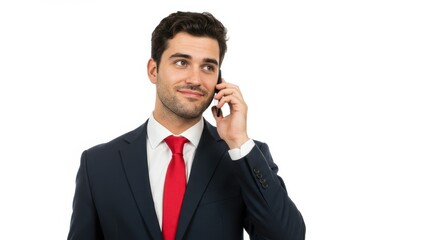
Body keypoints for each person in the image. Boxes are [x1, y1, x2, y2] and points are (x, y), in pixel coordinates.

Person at [67, 11, 305, 240]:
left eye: (208, 67)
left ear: (219, 80)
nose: (195, 79)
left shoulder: (241, 157)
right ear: (153, 70)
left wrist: (238, 142)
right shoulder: (98, 164)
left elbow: (289, 236)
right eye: (181, 62)